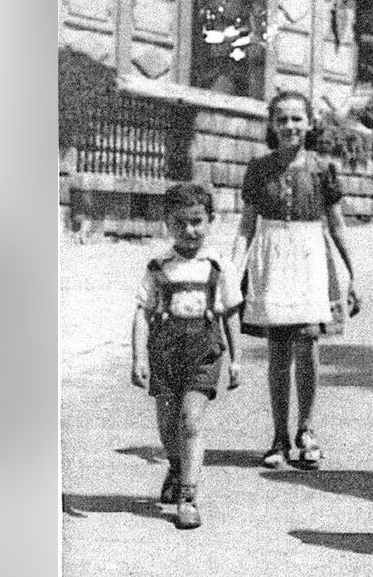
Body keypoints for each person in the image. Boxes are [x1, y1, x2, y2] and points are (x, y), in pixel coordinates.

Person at [233, 90, 355, 471]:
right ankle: (279, 436)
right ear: (272, 124)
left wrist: (353, 274)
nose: (290, 126)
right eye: (282, 119)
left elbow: (336, 225)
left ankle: (306, 430)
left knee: (307, 346)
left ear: (309, 123)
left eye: (297, 119)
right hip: (272, 258)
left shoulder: (322, 169)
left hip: (309, 258)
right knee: (278, 351)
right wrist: (232, 271)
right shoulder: (258, 169)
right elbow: (246, 227)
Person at [130, 183, 243, 530]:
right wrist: (139, 358)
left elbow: (231, 314)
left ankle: (189, 497)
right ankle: (176, 467)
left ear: (210, 220)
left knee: (191, 422)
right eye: (179, 223)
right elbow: (141, 313)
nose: (189, 230)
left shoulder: (219, 266)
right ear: (167, 223)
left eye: (197, 221)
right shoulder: (157, 267)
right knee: (167, 426)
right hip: (164, 353)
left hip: (203, 353)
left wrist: (237, 359)